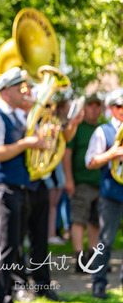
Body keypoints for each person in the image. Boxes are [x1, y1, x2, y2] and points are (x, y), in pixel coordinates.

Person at [0, 67, 47, 303]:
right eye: (21, 88)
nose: (26, 92)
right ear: (6, 91)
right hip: (1, 187)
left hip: (15, 187)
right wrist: (25, 144)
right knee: (4, 246)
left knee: (14, 246)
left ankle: (7, 300)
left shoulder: (17, 116)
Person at [85, 88, 123, 300]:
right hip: (111, 192)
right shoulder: (103, 131)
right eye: (119, 106)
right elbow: (90, 161)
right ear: (110, 108)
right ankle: (98, 284)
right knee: (106, 240)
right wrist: (111, 154)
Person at [64, 93, 102, 271]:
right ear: (84, 108)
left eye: (97, 106)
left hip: (100, 183)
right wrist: (68, 179)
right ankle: (79, 259)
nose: (94, 110)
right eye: (90, 106)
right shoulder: (77, 128)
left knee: (96, 221)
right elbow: (67, 154)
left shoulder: (102, 128)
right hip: (81, 181)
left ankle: (93, 257)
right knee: (78, 220)